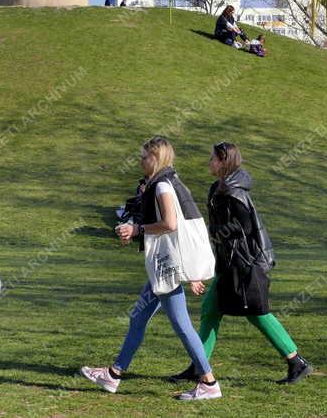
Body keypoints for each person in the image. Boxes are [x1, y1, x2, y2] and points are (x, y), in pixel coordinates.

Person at [81, 136, 222, 401]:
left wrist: (137, 229)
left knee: (182, 325)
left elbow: (170, 223)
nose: (140, 160)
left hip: (165, 268)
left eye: (144, 156)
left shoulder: (162, 186)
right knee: (138, 318)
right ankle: (114, 374)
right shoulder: (166, 182)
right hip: (163, 267)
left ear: (155, 158)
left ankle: (209, 382)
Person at [169, 142, 312, 385]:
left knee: (256, 313)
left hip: (242, 264)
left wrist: (212, 235)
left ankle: (296, 361)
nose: (209, 162)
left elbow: (243, 226)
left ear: (224, 161)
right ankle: (198, 366)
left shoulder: (234, 192)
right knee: (210, 311)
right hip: (228, 263)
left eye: (213, 158)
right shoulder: (221, 187)